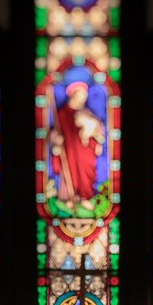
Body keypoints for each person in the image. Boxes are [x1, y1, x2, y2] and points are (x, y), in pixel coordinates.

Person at [51, 81, 105, 212]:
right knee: (69, 170)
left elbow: (99, 129)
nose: (82, 100)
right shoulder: (62, 114)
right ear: (72, 95)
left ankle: (85, 198)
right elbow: (54, 132)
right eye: (79, 96)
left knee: (86, 173)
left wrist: (97, 136)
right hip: (69, 151)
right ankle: (71, 197)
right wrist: (56, 139)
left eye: (84, 97)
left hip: (86, 151)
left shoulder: (86, 113)